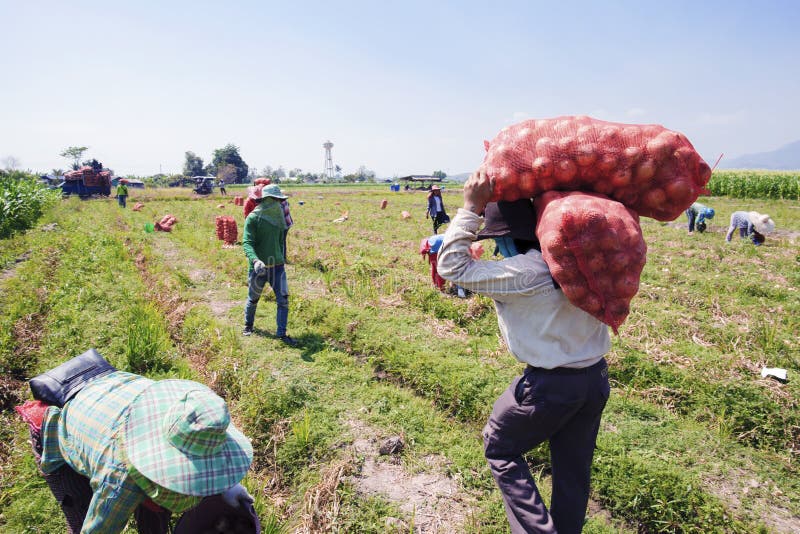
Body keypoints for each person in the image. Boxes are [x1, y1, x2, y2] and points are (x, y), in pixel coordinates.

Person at [437, 169, 611, 534]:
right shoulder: (581, 262)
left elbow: (450, 266)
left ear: (509, 239)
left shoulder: (526, 272)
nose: (499, 252)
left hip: (549, 387)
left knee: (499, 446)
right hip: (594, 380)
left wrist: (470, 208)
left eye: (499, 243)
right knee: (572, 471)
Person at [24, 366, 254, 534]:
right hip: (60, 424)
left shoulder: (178, 411)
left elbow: (206, 453)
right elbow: (97, 529)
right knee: (81, 515)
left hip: (106, 389)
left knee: (155, 512)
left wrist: (229, 489)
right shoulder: (119, 482)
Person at [242, 184, 297, 345]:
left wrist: (281, 257)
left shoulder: (279, 219)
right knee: (253, 299)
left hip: (278, 267)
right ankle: (248, 325)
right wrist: (255, 259)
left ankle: (281, 333)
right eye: (275, 200)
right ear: (266, 200)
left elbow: (281, 241)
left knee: (283, 300)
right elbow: (247, 243)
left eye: (280, 200)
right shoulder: (253, 218)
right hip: (258, 268)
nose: (279, 204)